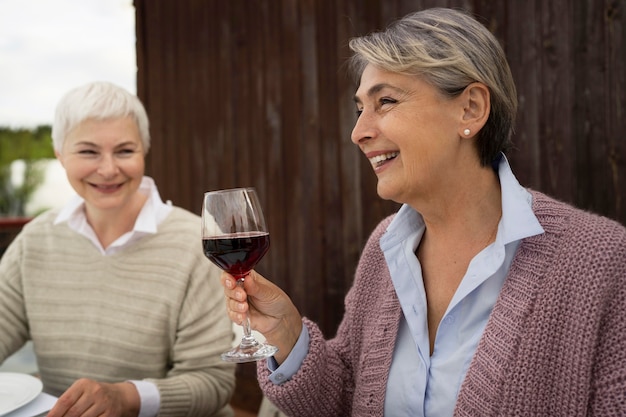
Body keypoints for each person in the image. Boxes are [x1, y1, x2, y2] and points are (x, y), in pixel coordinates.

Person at [220, 7, 626, 417]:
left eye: (386, 101)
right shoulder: (386, 245)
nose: (358, 132)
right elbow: (348, 396)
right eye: (360, 108)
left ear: (470, 109)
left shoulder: (601, 261)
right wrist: (286, 332)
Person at [0, 81, 236, 417]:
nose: (109, 169)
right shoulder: (35, 240)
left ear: (144, 151)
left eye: (125, 151)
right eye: (88, 151)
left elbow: (213, 383)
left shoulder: (193, 244)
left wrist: (126, 398)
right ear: (60, 156)